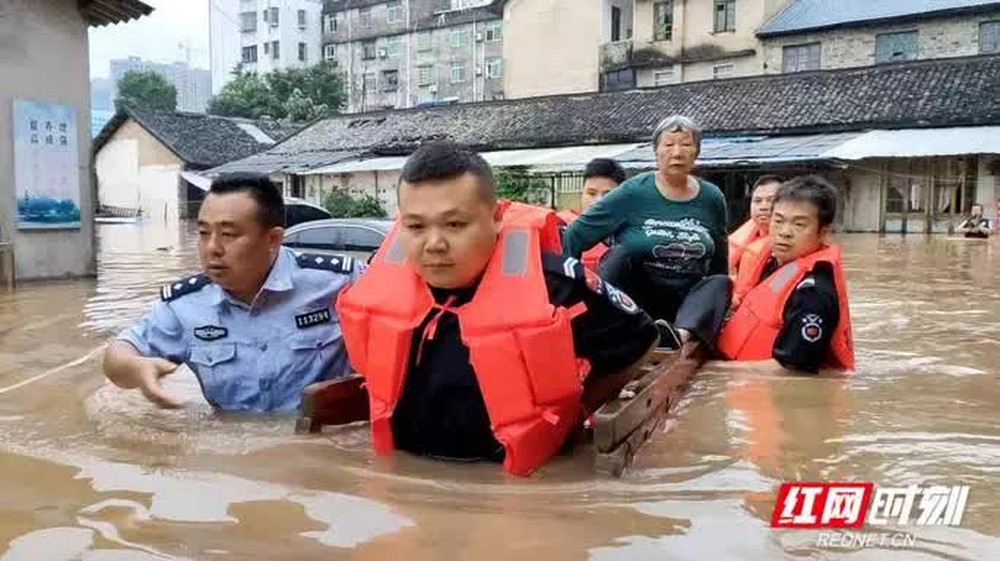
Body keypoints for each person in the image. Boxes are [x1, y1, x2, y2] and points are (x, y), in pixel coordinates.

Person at [336, 142, 659, 477]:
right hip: (404, 475)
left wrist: (579, 411)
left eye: (455, 225)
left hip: (514, 482)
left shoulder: (552, 283)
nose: (434, 244)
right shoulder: (384, 283)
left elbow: (640, 338)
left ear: (495, 218)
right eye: (416, 227)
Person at [103, 172, 364, 411]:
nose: (212, 248)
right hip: (237, 455)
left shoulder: (337, 281)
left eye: (228, 234)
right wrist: (138, 369)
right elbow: (119, 354)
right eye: (204, 233)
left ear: (272, 239)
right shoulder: (185, 306)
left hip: (323, 445)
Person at [562, 115, 731, 349]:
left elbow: (720, 257)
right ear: (656, 151)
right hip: (636, 301)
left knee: (720, 282)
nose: (677, 152)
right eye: (669, 144)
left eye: (686, 144)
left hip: (686, 304)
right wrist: (569, 292)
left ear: (696, 152)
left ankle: (677, 336)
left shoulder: (712, 198)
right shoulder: (633, 192)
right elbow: (574, 235)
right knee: (618, 256)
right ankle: (612, 327)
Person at [716, 175, 854, 373]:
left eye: (799, 225)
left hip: (769, 392)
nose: (784, 232)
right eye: (778, 221)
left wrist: (714, 371)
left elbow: (791, 369)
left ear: (823, 233)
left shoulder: (814, 293)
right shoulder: (774, 263)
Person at [557, 158, 628, 271]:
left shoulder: (634, 236)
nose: (598, 201)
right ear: (582, 193)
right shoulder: (560, 228)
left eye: (607, 194)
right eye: (591, 193)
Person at [728, 175, 782, 278]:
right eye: (757, 201)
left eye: (770, 200)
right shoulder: (738, 240)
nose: (763, 207)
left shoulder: (791, 243)